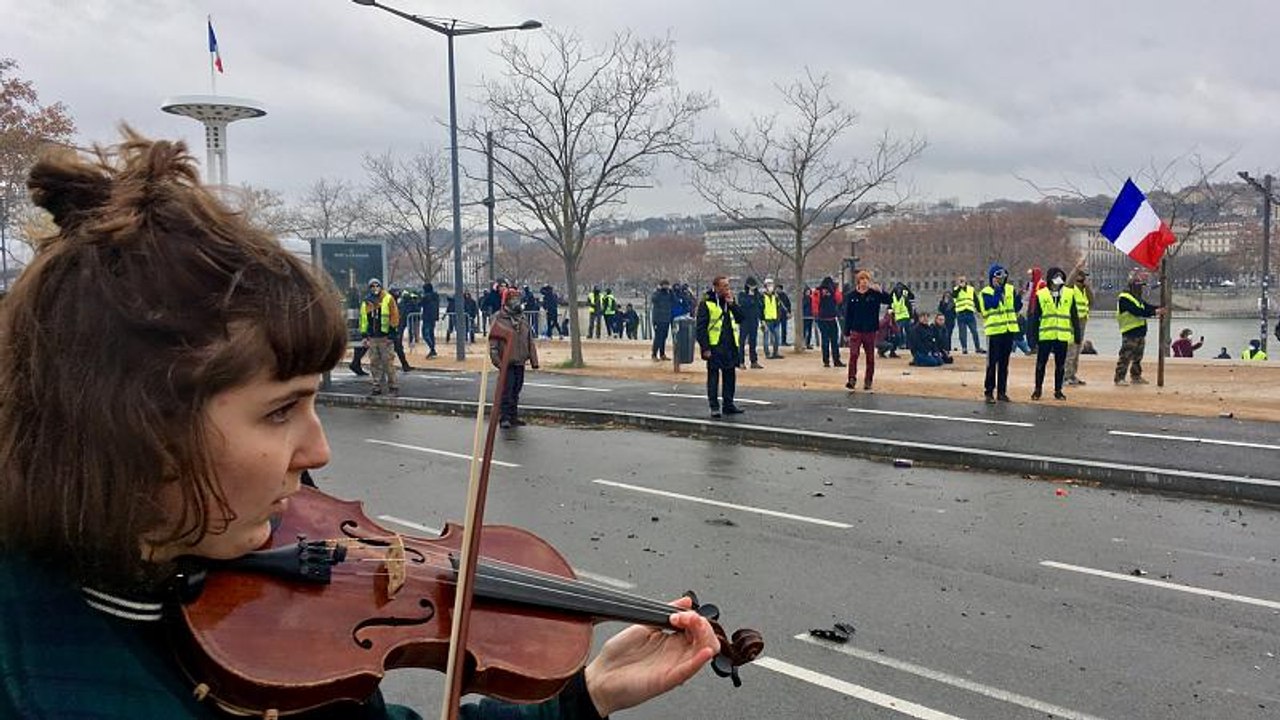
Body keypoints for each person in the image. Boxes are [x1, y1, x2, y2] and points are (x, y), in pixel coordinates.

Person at [0, 132, 719, 720]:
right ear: (132, 426)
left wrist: (584, 697)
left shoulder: (237, 600)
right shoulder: (53, 682)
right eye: (281, 409)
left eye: (315, 402)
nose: (317, 450)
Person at [1028, 266, 1080, 401]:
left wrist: (1077, 335)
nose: (1059, 280)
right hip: (1045, 335)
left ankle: (1058, 390)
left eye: (1061, 277)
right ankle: (1038, 389)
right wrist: (1033, 338)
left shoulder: (1068, 293)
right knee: (1041, 364)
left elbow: (1074, 315)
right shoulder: (1042, 294)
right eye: (1056, 277)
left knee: (1060, 365)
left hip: (1062, 336)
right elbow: (1035, 318)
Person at [490, 291, 541, 428]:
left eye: (518, 298)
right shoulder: (499, 318)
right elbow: (493, 343)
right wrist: (498, 362)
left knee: (516, 389)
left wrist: (534, 360)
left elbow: (530, 340)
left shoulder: (523, 319)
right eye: (513, 299)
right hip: (506, 361)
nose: (517, 301)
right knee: (506, 390)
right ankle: (504, 417)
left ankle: (513, 416)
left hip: (520, 360)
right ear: (506, 301)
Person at [696, 276, 744, 419]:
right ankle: (714, 406)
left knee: (730, 376)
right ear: (716, 287)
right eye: (724, 286)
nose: (727, 288)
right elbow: (701, 328)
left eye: (728, 285)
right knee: (713, 377)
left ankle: (728, 404)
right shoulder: (707, 303)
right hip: (714, 345)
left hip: (730, 345)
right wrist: (705, 348)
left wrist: (732, 305)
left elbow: (741, 318)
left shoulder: (729, 301)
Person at [842, 270, 891, 391]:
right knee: (854, 355)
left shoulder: (874, 294)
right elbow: (848, 315)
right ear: (858, 281)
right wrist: (846, 332)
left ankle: (868, 380)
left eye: (866, 280)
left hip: (870, 330)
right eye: (862, 280)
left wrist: (881, 291)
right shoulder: (851, 296)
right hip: (856, 329)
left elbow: (889, 300)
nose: (864, 282)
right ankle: (851, 379)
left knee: (870, 357)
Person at [980, 263, 1021, 404]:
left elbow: (1016, 307)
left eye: (1003, 276)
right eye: (998, 276)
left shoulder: (1010, 289)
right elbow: (992, 304)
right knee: (992, 363)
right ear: (992, 277)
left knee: (1004, 364)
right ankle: (989, 392)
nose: (1001, 279)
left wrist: (1020, 297)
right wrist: (997, 291)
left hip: (1008, 330)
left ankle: (1002, 392)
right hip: (994, 332)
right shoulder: (986, 292)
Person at [1115, 269, 1164, 385]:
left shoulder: (1137, 298)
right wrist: (1155, 312)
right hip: (1130, 331)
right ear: (1132, 286)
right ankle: (1119, 378)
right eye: (1139, 286)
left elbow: (1147, 307)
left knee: (1138, 357)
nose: (1141, 288)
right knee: (1125, 356)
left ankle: (1136, 376)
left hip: (1140, 331)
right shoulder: (1124, 298)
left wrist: (1158, 308)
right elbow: (1137, 311)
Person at [361, 277, 400, 395]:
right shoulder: (366, 302)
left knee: (388, 363)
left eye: (377, 286)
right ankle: (376, 386)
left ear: (381, 286)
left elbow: (394, 317)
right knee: (374, 363)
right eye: (372, 286)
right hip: (373, 337)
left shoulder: (388, 299)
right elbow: (363, 320)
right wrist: (364, 336)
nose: (375, 288)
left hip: (385, 337)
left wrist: (391, 335)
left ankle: (393, 386)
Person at [1063, 268, 1092, 385]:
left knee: (1078, 349)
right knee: (1071, 349)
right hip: (1071, 322)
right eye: (1083, 276)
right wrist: (1075, 270)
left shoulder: (1084, 290)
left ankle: (1073, 374)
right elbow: (1068, 282)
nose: (1085, 278)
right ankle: (1066, 376)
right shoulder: (1071, 288)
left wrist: (1088, 288)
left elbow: (1092, 301)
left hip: (1082, 321)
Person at [814, 277, 844, 367]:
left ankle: (826, 361)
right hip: (832, 318)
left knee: (825, 341)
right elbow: (839, 300)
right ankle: (836, 360)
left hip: (822, 319)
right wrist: (836, 289)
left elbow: (815, 304)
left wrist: (816, 315)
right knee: (834, 341)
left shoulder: (818, 291)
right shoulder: (834, 290)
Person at [951, 275, 983, 354]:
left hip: (970, 313)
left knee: (974, 331)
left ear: (966, 281)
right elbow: (954, 295)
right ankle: (964, 348)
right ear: (958, 281)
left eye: (963, 280)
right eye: (960, 280)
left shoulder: (971, 289)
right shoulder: (956, 289)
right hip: (960, 313)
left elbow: (976, 300)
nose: (962, 282)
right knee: (962, 332)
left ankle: (977, 347)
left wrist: (980, 310)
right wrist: (959, 287)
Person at [736, 277, 764, 369]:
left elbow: (760, 308)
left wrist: (762, 320)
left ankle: (754, 361)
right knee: (742, 342)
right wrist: (751, 297)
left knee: (753, 342)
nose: (753, 287)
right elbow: (744, 303)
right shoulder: (742, 294)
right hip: (744, 321)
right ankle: (741, 361)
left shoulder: (758, 295)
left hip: (754, 321)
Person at [650, 279, 675, 360]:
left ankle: (662, 354)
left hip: (666, 319)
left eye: (667, 285)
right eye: (664, 285)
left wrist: (672, 292)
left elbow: (675, 301)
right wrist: (659, 290)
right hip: (658, 319)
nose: (666, 287)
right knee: (658, 337)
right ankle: (654, 354)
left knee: (664, 337)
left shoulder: (669, 294)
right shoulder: (657, 293)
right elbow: (653, 299)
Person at [760, 278, 785, 360]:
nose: (771, 286)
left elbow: (779, 307)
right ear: (765, 286)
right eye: (769, 285)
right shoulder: (762, 297)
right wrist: (762, 320)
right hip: (766, 320)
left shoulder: (776, 296)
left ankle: (775, 352)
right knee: (766, 337)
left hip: (775, 319)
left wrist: (778, 317)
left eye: (771, 285)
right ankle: (767, 353)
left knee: (777, 337)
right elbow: (760, 309)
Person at [889, 282, 915, 350]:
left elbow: (909, 306)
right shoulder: (900, 295)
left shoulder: (897, 296)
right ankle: (905, 344)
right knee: (905, 332)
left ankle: (904, 344)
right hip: (902, 316)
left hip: (903, 316)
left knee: (904, 332)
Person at [421, 282, 440, 358]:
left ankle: (432, 349)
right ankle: (432, 349)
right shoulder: (436, 297)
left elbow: (420, 304)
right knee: (431, 334)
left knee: (425, 334)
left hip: (427, 317)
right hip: (433, 317)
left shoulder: (426, 297)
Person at [777, 283, 792, 347]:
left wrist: (789, 312)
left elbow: (788, 304)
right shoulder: (775, 296)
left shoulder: (784, 296)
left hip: (783, 314)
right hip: (777, 314)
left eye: (778, 289)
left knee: (784, 328)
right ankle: (776, 341)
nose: (777, 290)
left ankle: (783, 341)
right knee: (776, 329)